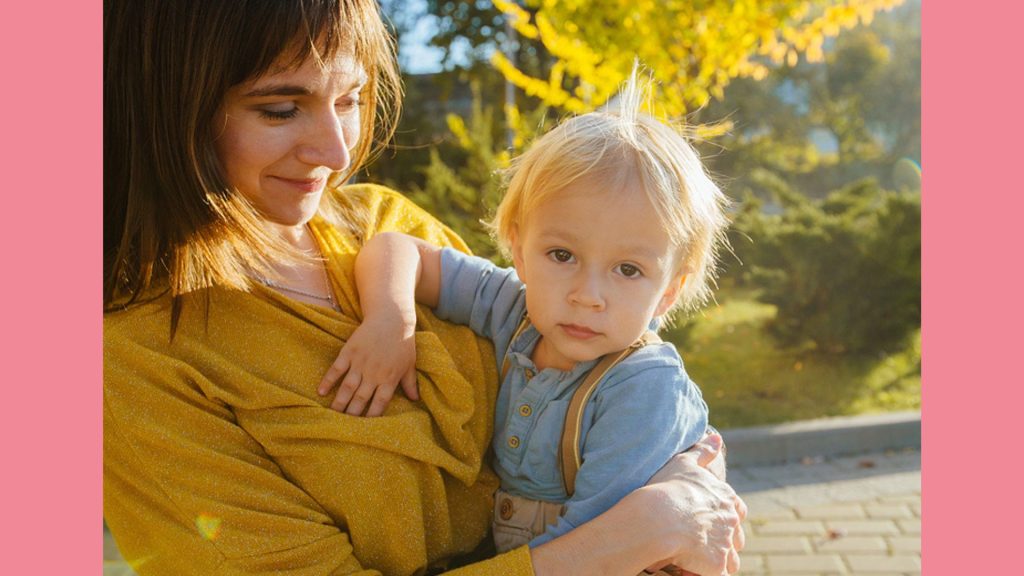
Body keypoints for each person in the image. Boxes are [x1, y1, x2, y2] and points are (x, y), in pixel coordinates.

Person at [103, 1, 746, 575]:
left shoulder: (382, 219)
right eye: (279, 108)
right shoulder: (135, 357)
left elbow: (589, 365)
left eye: (350, 99)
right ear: (167, 104)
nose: (334, 150)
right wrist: (647, 530)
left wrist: (679, 470)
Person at [317, 73, 729, 558]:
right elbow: (396, 248)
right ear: (519, 248)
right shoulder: (515, 308)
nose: (587, 295)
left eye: (628, 269)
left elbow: (599, 544)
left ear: (669, 293)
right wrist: (391, 319)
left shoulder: (642, 389)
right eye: (561, 255)